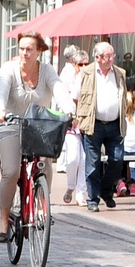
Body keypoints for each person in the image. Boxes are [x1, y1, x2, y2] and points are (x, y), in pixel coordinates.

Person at [0, 32, 67, 243]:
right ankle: (4, 220)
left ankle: (42, 206)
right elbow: (1, 92)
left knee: (44, 163)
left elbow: (59, 90)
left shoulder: (47, 71)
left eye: (29, 49)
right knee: (12, 171)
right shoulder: (9, 69)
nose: (24, 53)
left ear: (39, 51)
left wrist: (71, 110)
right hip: (10, 124)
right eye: (22, 48)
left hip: (38, 125)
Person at [74, 40, 129, 211]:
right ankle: (93, 198)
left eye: (113, 55)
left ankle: (106, 191)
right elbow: (76, 97)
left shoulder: (120, 73)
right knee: (93, 163)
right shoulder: (86, 73)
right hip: (93, 124)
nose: (111, 59)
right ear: (97, 57)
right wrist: (79, 117)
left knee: (117, 159)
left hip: (115, 124)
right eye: (107, 56)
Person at [56, 46, 88, 203]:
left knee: (85, 158)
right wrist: (69, 114)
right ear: (74, 64)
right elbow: (63, 97)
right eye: (80, 64)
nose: (83, 67)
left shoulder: (89, 77)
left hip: (86, 120)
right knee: (74, 158)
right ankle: (71, 186)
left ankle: (81, 193)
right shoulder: (67, 75)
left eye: (85, 64)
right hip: (72, 121)